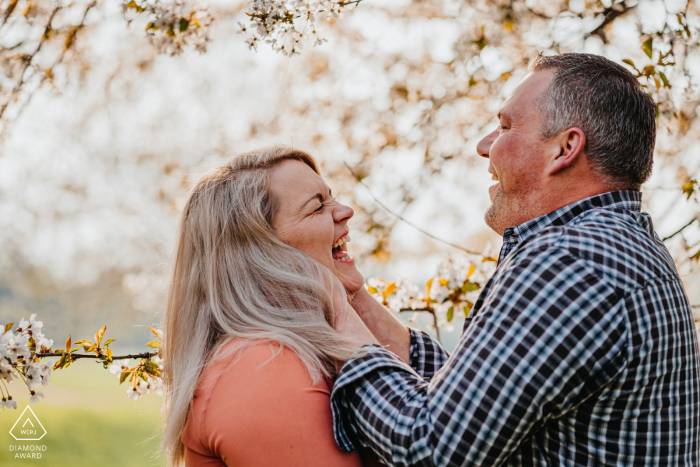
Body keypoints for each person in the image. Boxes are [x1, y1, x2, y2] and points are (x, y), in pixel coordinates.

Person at [330, 53, 700, 466]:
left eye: (506, 126)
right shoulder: (618, 246)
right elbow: (487, 399)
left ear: (565, 148)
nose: (484, 145)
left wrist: (334, 312)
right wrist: (354, 298)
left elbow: (431, 448)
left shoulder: (570, 262)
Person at [160, 147, 383, 467]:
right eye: (318, 206)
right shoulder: (264, 364)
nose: (345, 210)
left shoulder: (292, 350)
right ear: (262, 253)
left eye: (331, 196)